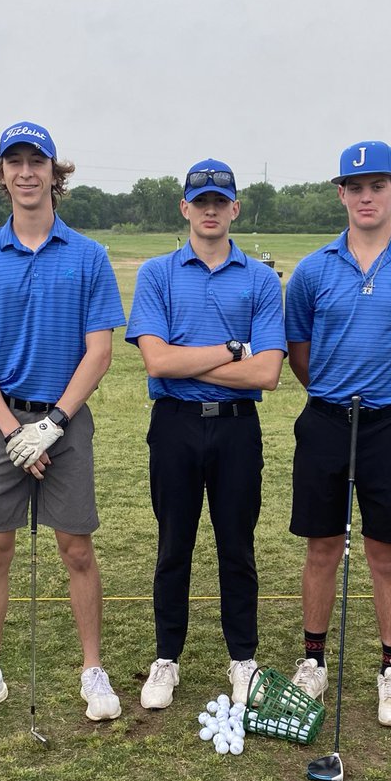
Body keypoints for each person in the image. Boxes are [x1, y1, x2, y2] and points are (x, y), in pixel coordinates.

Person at [0, 122, 125, 726]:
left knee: (76, 548)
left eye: (37, 161)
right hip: (3, 420)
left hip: (64, 419)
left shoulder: (88, 255)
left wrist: (50, 425)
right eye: (14, 162)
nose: (26, 172)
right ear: (2, 176)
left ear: (56, 173)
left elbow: (98, 350)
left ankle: (92, 669)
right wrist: (10, 430)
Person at [285, 141, 391, 727]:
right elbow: (300, 355)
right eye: (355, 187)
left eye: (376, 186)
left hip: (389, 425)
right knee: (322, 546)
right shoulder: (311, 270)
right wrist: (335, 397)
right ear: (341, 194)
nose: (365, 196)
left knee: (386, 552)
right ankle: (312, 661)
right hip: (326, 421)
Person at [126, 159, 287, 709]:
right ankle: (166, 659)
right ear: (185, 208)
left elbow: (267, 373)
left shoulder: (262, 279)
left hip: (238, 429)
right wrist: (232, 349)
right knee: (174, 545)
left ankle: (243, 659)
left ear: (235, 208)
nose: (211, 210)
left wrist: (186, 359)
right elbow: (155, 362)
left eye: (221, 201)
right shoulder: (157, 273)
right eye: (202, 201)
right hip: (173, 426)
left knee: (236, 547)